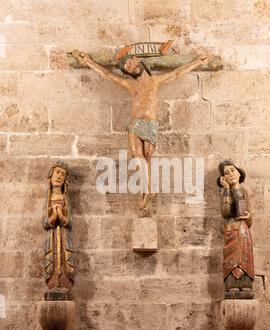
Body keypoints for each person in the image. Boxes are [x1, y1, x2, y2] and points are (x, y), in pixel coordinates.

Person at [72, 49, 212, 216]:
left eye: (130, 63)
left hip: (150, 123)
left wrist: (197, 62)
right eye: (127, 68)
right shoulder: (131, 84)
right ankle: (146, 191)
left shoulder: (155, 81)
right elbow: (108, 75)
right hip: (135, 123)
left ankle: (147, 192)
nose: (130, 67)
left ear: (138, 60)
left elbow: (176, 73)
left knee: (148, 156)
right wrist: (88, 61)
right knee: (137, 155)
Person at [217, 160, 254, 299]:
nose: (230, 174)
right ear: (223, 178)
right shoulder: (225, 192)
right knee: (231, 260)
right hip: (231, 231)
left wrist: (249, 216)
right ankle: (231, 286)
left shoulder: (244, 192)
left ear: (239, 173)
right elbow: (226, 212)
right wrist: (227, 189)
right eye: (226, 173)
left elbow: (249, 218)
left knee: (245, 259)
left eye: (232, 170)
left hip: (244, 232)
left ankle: (246, 286)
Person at [42, 161, 75, 301]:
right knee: (53, 258)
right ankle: (53, 284)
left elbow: (70, 221)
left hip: (64, 235)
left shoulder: (65, 198)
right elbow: (44, 222)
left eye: (63, 174)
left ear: (65, 180)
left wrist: (61, 216)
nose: (59, 176)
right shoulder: (48, 198)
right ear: (51, 176)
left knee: (63, 258)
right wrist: (53, 217)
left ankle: (64, 285)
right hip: (52, 236)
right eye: (57, 173)